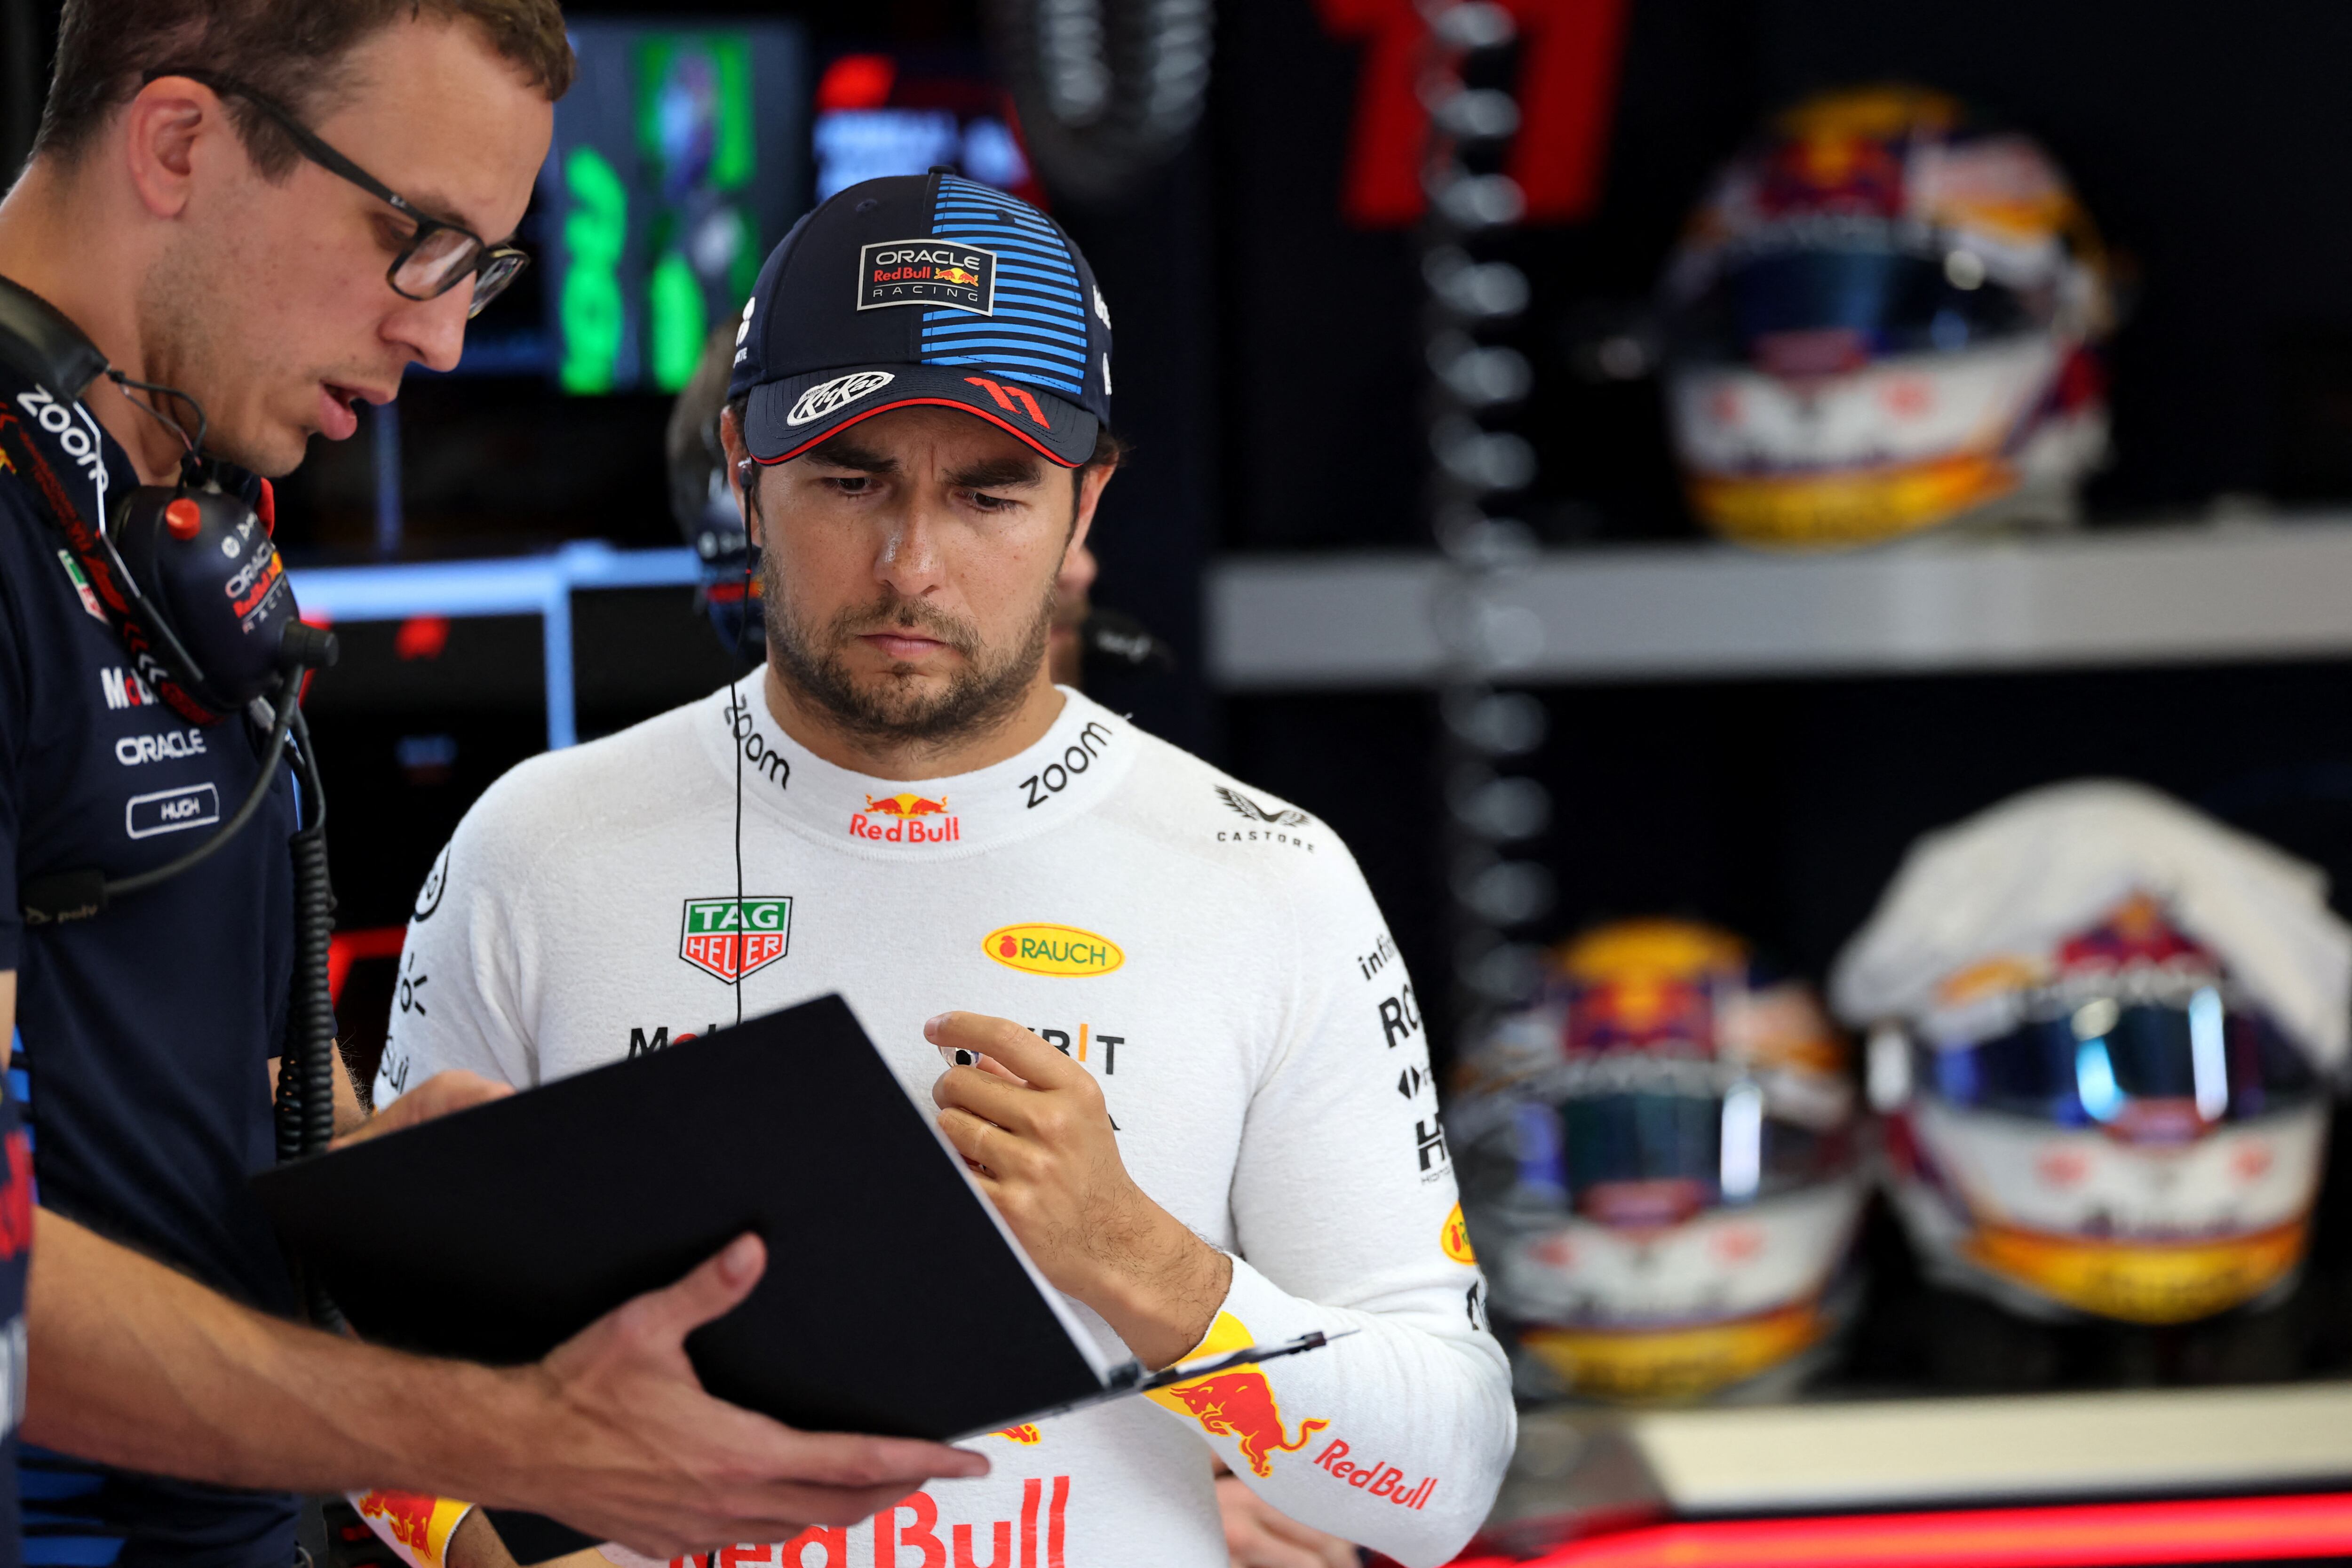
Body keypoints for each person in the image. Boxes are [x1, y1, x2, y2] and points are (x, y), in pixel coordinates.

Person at [377, 170, 1516, 1568]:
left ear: (1088, 503)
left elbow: (1446, 1478)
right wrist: (487, 1557)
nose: (911, 565)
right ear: (744, 465)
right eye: (849, 481)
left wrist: (1143, 1265)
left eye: (990, 494)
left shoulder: (1268, 878)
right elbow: (364, 1340)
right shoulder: (534, 849)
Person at [0, 7, 985, 1567]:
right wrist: (512, 1441)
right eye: (417, 239)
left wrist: (388, 1168)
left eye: (483, 268)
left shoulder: (170, 510)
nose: (444, 336)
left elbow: (167, 1057)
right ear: (178, 142)